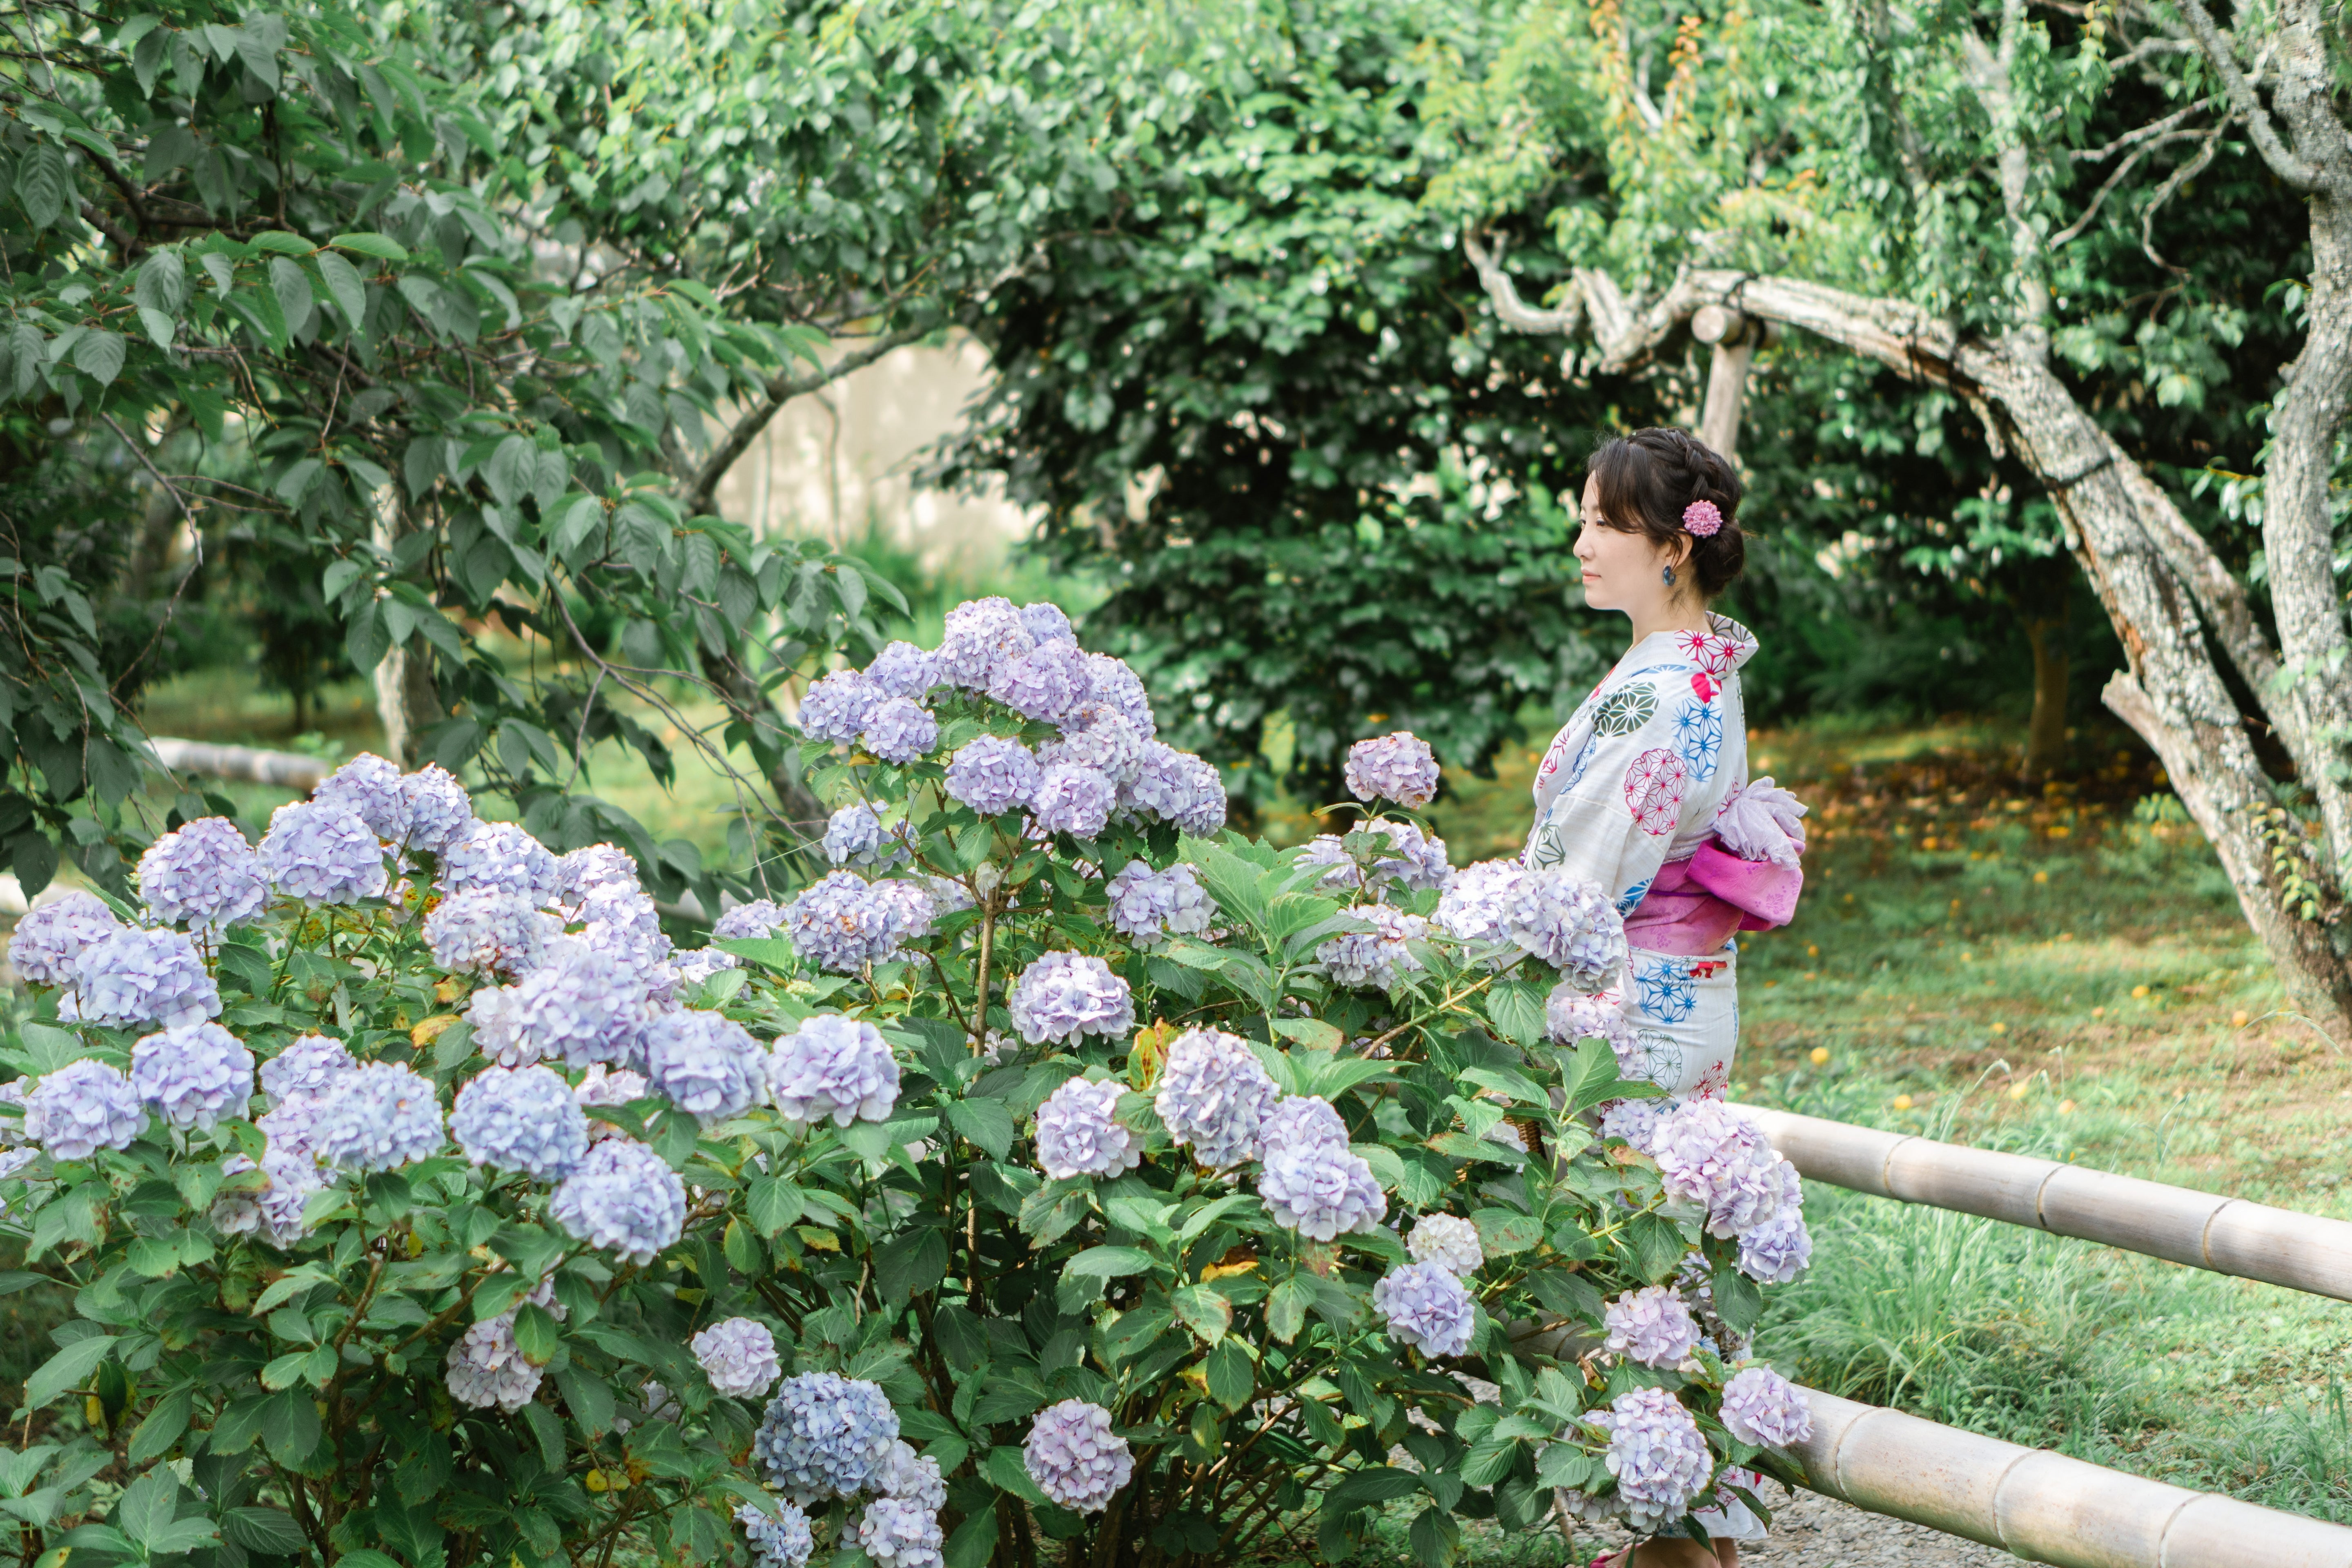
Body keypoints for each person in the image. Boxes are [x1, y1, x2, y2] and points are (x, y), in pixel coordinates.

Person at [1526, 428, 1809, 1568]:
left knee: (1632, 1275)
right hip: (1677, 995)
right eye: (1585, 516)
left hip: (1630, 1001)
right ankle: (1686, 1548)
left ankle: (1686, 1552)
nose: (1583, 540)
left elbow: (1586, 882)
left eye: (1605, 521)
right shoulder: (1698, 667)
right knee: (1660, 1272)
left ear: (1673, 551)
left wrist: (1481, 955)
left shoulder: (1663, 698)